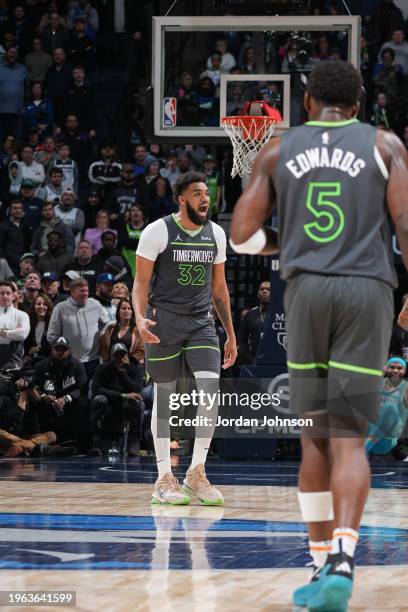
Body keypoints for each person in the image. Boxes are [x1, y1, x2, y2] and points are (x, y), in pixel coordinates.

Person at [229, 60, 407, 610]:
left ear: (306, 104)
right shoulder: (386, 145)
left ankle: (317, 560)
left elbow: (240, 237)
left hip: (306, 291)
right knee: (350, 437)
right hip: (367, 291)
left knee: (315, 437)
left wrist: (287, 245)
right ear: (359, 105)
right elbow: (406, 228)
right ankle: (345, 561)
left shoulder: (279, 149)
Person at [133, 171, 237, 505]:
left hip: (201, 323)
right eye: (196, 193)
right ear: (181, 199)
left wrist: (231, 334)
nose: (205, 198)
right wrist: (138, 317)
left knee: (210, 392)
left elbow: (219, 289)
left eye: (206, 192)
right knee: (165, 396)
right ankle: (164, 477)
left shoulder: (216, 234)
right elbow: (140, 282)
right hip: (163, 321)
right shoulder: (157, 231)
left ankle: (196, 473)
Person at [47, 277, 109, 381]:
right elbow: (52, 336)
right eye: (81, 291)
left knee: (90, 393)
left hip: (93, 360)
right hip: (70, 361)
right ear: (72, 292)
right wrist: (62, 352)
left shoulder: (95, 304)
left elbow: (107, 326)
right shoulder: (60, 308)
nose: (85, 293)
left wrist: (102, 340)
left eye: (86, 291)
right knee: (72, 394)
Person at [31, 336, 87, 447]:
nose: (60, 353)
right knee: (33, 402)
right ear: (52, 350)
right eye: (57, 349)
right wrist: (44, 396)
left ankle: (78, 442)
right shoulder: (41, 366)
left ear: (69, 351)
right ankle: (38, 438)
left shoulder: (77, 365)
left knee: (83, 402)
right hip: (48, 403)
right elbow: (33, 387)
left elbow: (83, 388)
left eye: (63, 350)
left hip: (69, 403)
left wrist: (66, 398)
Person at [90, 343, 144, 457]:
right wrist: (122, 395)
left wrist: (123, 374)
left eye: (122, 355)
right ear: (111, 356)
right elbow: (96, 389)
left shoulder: (135, 367)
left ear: (127, 355)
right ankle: (96, 442)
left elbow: (137, 389)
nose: (120, 358)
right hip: (110, 402)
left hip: (126, 406)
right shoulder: (103, 368)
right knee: (98, 400)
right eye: (116, 356)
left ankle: (133, 442)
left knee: (138, 404)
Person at [365, 357, 408, 457]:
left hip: (386, 440)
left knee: (390, 408)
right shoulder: (376, 384)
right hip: (368, 431)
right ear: (385, 369)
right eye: (392, 367)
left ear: (405, 371)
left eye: (399, 368)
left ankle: (364, 448)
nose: (395, 370)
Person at [99, 297, 144, 365]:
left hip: (131, 368)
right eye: (124, 308)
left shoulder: (137, 331)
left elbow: (142, 349)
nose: (126, 311)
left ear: (132, 312)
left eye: (129, 308)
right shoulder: (110, 328)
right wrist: (107, 361)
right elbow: (103, 346)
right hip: (111, 368)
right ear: (118, 311)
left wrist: (132, 361)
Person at [238, 280, 271, 365]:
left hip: (275, 360)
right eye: (262, 289)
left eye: (268, 289)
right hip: (255, 361)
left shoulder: (279, 314)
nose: (264, 291)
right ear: (258, 294)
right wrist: (250, 360)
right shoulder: (250, 314)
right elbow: (242, 340)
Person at [0, 280, 30, 370]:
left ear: (13, 296)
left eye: (8, 293)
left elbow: (23, 334)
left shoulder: (22, 315)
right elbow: (18, 333)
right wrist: (13, 333)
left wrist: (2, 332)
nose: (5, 296)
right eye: (1, 293)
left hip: (14, 367)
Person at [117, 203, 146, 277]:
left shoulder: (149, 228)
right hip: (127, 269)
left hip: (145, 268)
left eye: (138, 210)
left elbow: (151, 245)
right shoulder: (123, 228)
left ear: (142, 214)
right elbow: (123, 242)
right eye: (133, 210)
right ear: (130, 214)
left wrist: (130, 242)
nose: (136, 213)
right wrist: (142, 243)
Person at [24, 293, 53, 365]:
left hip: (48, 361)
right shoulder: (28, 322)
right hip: (31, 362)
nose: (41, 306)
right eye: (38, 304)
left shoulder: (53, 324)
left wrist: (38, 349)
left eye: (44, 304)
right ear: (34, 306)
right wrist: (28, 352)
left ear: (48, 307)